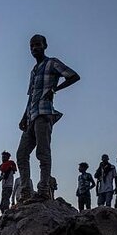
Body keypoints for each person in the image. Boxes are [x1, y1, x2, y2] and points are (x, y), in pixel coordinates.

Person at [17, 34, 80, 202]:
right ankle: (25, 192)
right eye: (31, 46)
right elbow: (31, 97)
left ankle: (44, 189)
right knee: (21, 154)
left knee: (42, 152)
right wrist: (24, 117)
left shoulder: (52, 63)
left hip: (44, 114)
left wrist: (55, 89)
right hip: (31, 115)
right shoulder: (34, 71)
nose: (34, 48)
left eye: (38, 45)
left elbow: (73, 76)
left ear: (45, 45)